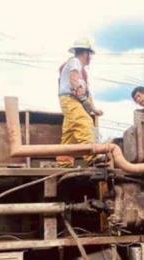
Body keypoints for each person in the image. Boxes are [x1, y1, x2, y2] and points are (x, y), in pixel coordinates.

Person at [56, 38, 103, 168]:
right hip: (70, 99)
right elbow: (73, 78)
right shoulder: (75, 62)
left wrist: (93, 108)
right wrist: (77, 86)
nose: (90, 58)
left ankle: (64, 163)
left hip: (71, 100)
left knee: (69, 133)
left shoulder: (82, 72)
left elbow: (86, 95)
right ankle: (92, 157)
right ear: (85, 53)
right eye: (90, 55)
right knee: (85, 122)